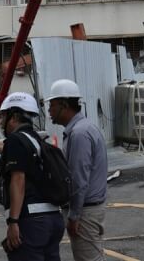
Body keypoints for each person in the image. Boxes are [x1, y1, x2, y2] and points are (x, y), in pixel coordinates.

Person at [0, 91, 65, 260]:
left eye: (4, 116)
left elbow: (18, 180)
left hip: (32, 222)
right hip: (53, 219)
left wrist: (13, 222)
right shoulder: (37, 141)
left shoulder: (15, 140)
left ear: (14, 117)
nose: (1, 122)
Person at [46, 79, 107, 261]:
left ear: (64, 105)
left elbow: (79, 179)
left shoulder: (79, 133)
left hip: (85, 212)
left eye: (52, 105)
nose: (49, 110)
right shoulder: (83, 128)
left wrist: (74, 216)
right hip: (88, 209)